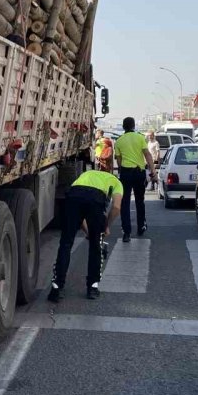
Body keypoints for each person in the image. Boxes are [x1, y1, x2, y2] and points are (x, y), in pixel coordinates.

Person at [48, 168, 123, 302]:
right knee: (95, 245)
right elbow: (116, 207)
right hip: (95, 199)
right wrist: (105, 226)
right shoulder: (117, 182)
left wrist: (87, 231)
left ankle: (56, 287)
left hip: (73, 195)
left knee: (66, 243)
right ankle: (92, 288)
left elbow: (80, 215)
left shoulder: (86, 175)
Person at [113, 117, 156, 242]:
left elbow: (119, 160)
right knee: (139, 200)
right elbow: (147, 154)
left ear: (123, 127)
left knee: (125, 202)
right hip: (139, 172)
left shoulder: (119, 141)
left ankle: (126, 232)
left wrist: (122, 169)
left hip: (126, 173)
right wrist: (152, 170)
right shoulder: (140, 138)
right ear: (133, 126)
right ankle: (141, 226)